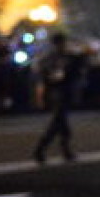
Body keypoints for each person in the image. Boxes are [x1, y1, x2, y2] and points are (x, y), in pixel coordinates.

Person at [33, 31, 81, 164]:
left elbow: (75, 70)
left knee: (61, 123)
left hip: (63, 91)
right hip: (55, 92)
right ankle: (41, 149)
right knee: (58, 123)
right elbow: (44, 75)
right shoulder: (50, 58)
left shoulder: (66, 57)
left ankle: (59, 150)